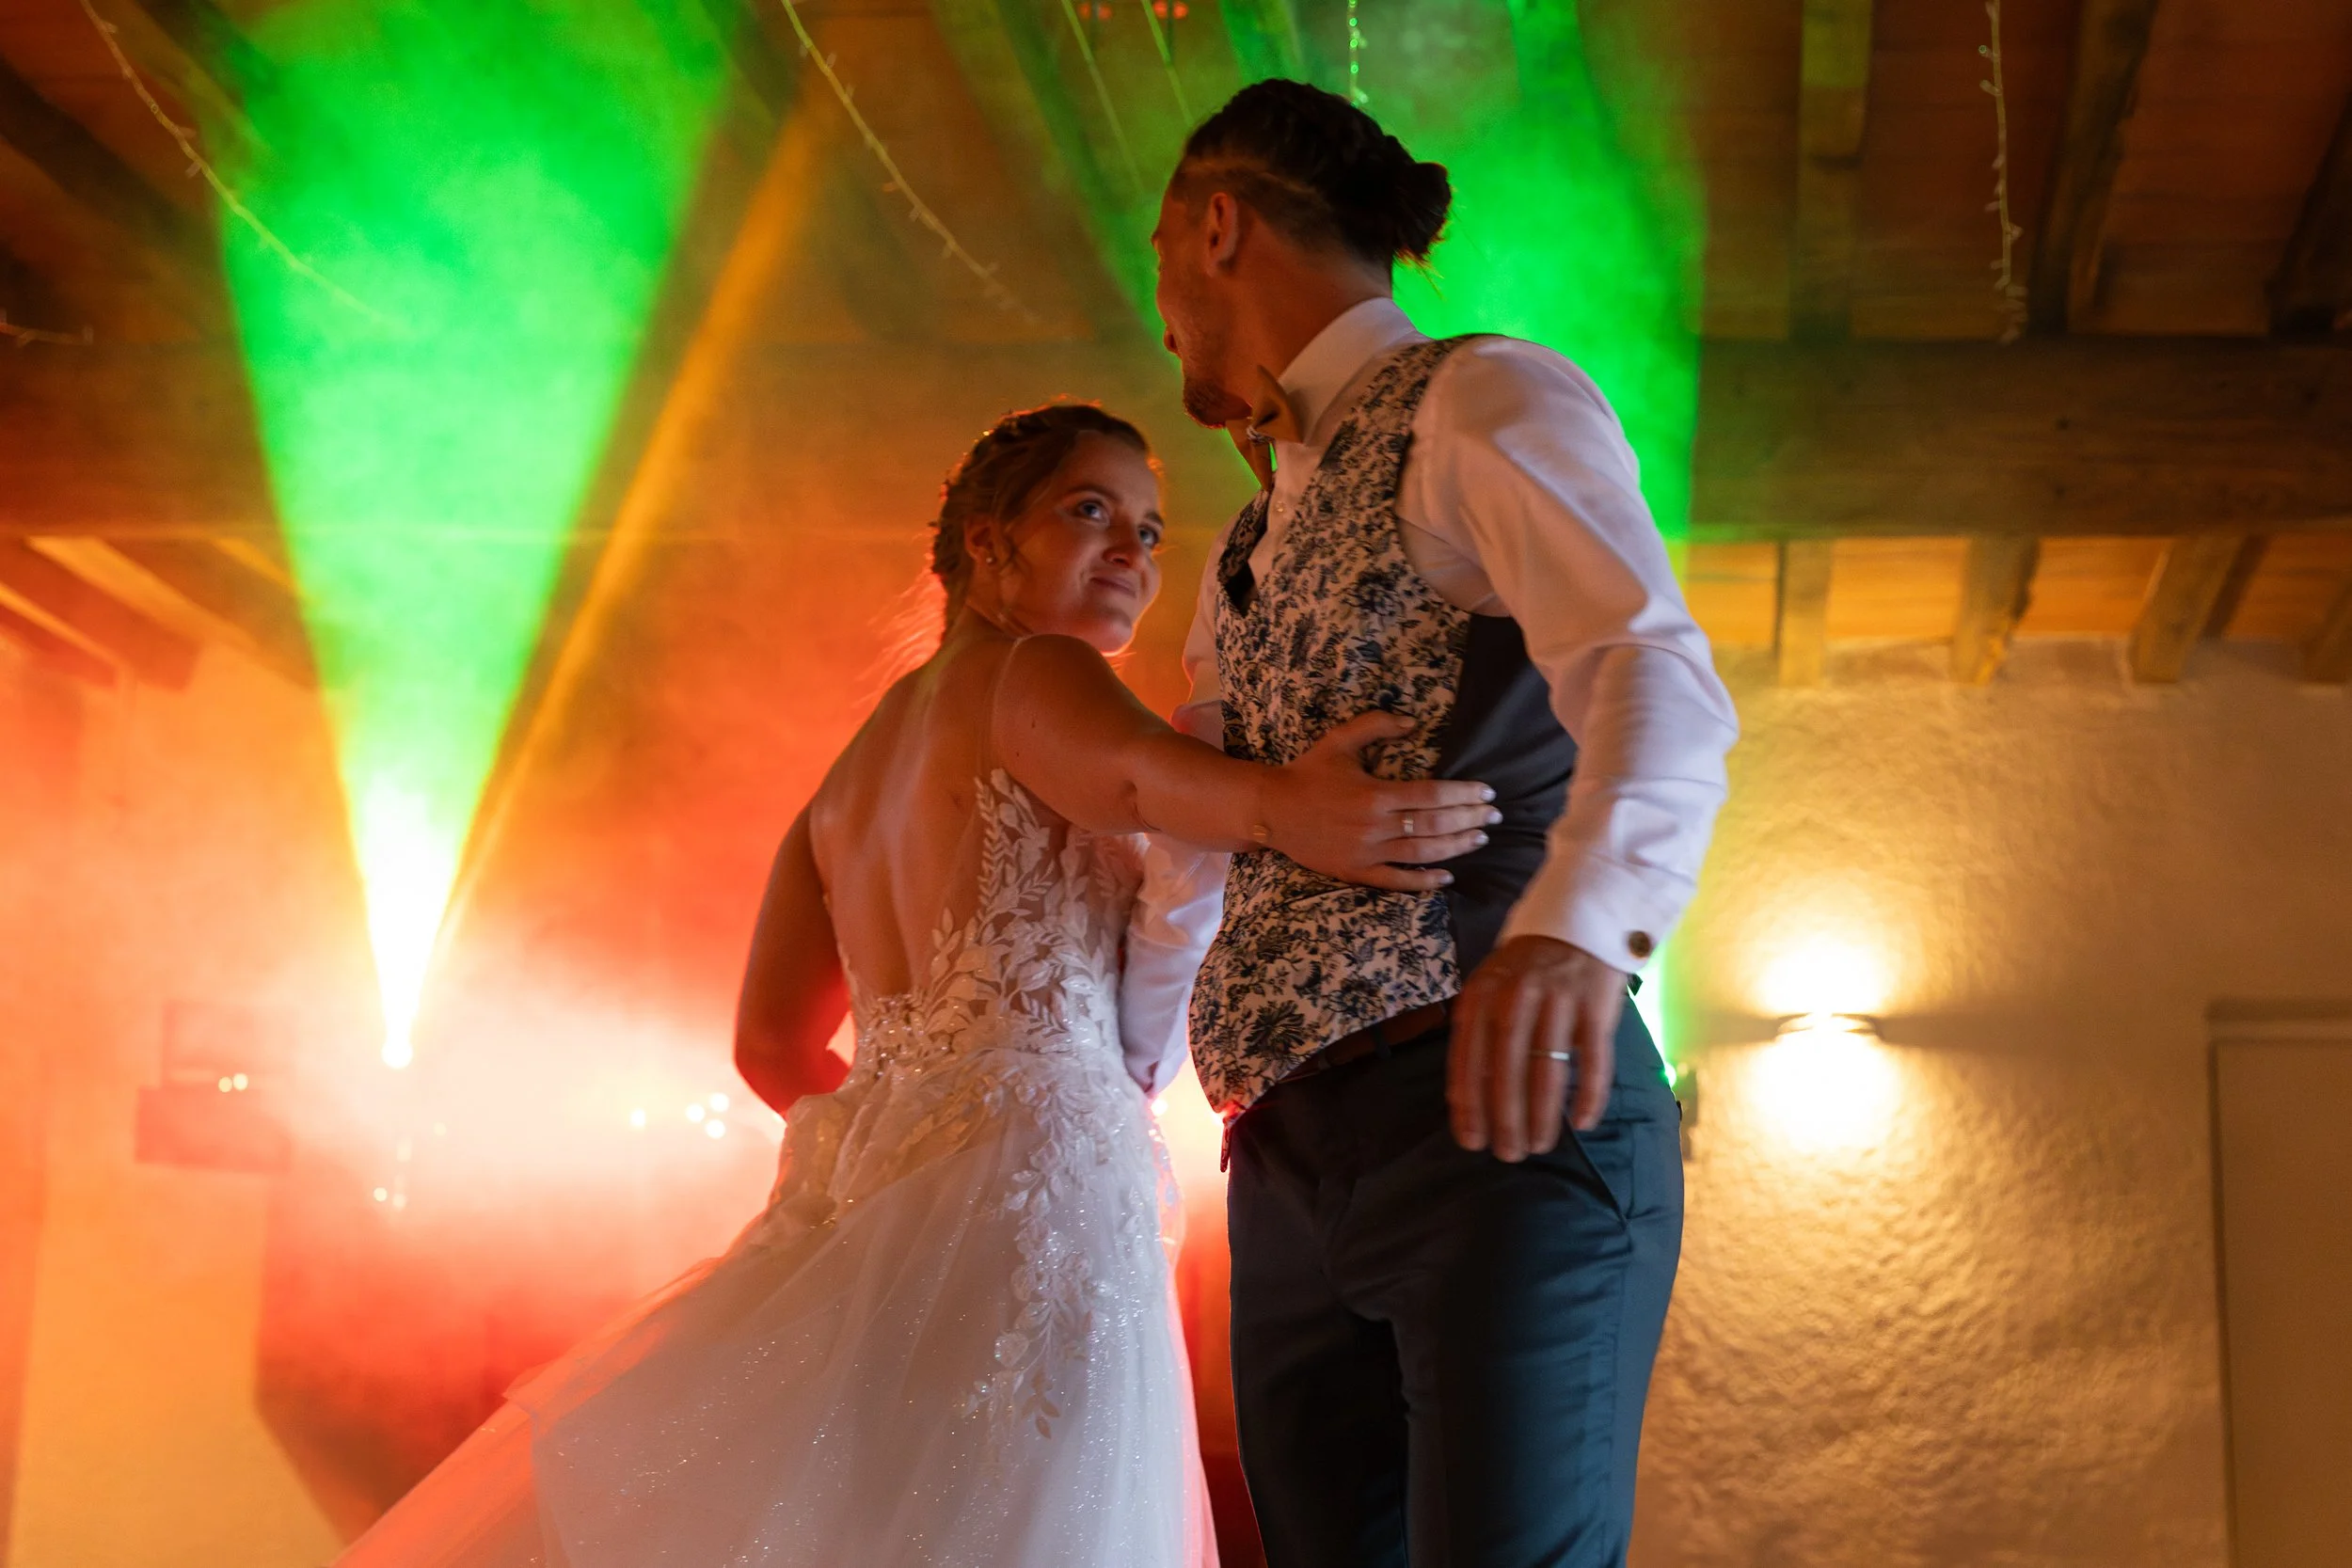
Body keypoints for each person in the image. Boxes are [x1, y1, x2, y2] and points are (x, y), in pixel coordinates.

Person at [334, 402, 1499, 1567]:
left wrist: (884, 1155)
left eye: (1149, 531)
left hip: (893, 1197)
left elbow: (769, 1044)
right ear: (989, 541)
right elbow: (1149, 783)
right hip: (1040, 1179)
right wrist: (1297, 804)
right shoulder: (1036, 670)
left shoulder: (847, 777)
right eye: (1089, 511)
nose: (1133, 554)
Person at [1151, 83, 1740, 1566]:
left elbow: (1656, 679)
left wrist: (1574, 935)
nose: (1159, 310)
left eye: (1162, 254)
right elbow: (1192, 833)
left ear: (1219, 227)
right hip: (1281, 1161)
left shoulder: (1484, 396)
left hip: (1493, 1119)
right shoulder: (1243, 542)